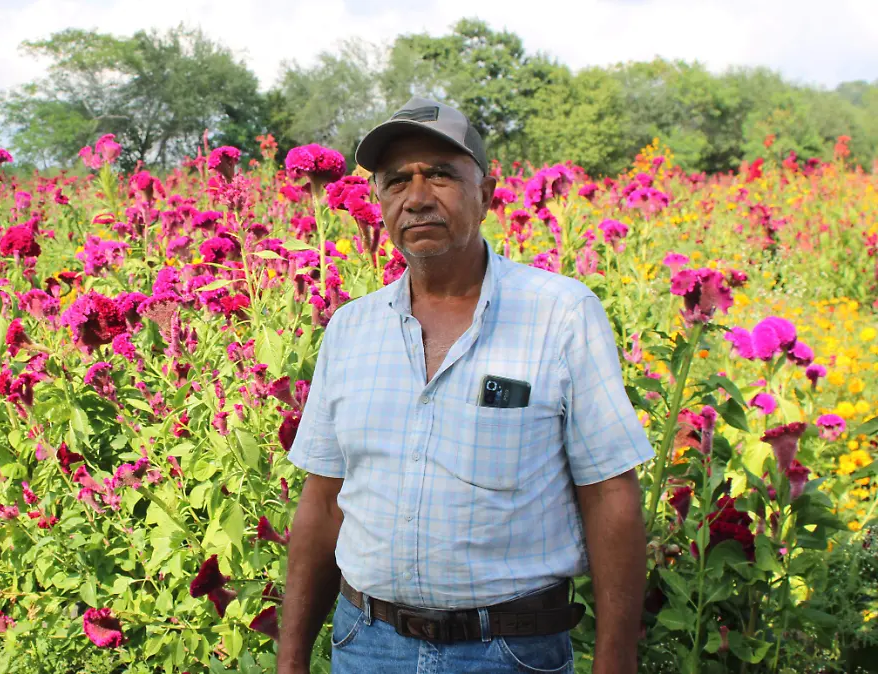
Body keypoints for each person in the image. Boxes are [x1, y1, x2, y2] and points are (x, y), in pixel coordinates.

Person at [277, 97, 653, 674]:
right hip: (366, 645)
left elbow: (610, 496)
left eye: (442, 175)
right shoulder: (351, 328)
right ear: (380, 201)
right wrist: (291, 658)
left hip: (509, 649)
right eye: (397, 180)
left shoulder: (560, 314)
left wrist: (616, 662)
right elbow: (324, 504)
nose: (418, 197)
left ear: (487, 193)